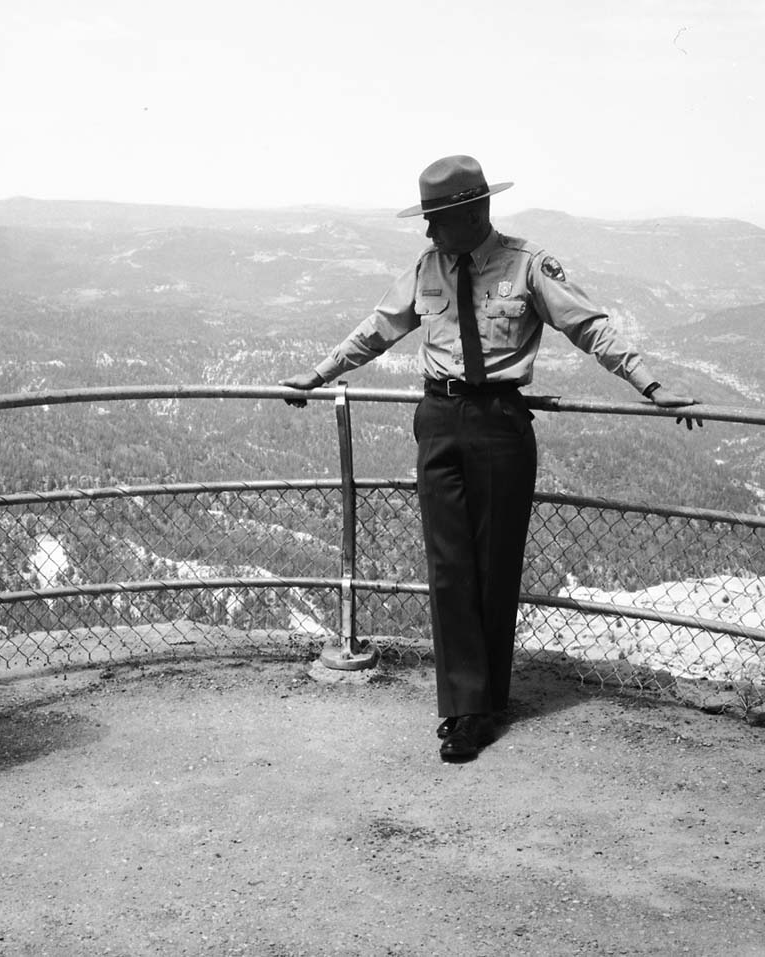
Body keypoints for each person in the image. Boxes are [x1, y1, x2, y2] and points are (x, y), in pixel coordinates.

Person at [281, 155, 700, 763]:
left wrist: (652, 385)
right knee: (448, 567)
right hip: (438, 418)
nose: (429, 233)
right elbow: (378, 328)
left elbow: (588, 327)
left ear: (474, 211)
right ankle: (463, 708)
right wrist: (318, 376)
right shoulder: (428, 266)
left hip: (501, 422)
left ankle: (486, 703)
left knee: (494, 565)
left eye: (438, 220)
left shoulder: (528, 266)